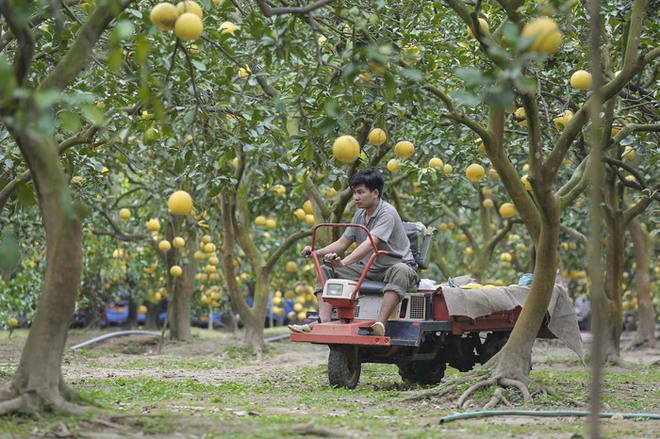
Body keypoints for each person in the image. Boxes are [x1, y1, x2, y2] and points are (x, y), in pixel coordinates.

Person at [289, 169, 418, 336]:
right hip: (369, 269)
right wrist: (314, 251)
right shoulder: (359, 215)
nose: (356, 197)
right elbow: (342, 243)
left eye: (360, 192)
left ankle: (379, 324)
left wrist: (344, 262)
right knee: (327, 269)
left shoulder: (387, 213)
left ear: (375, 193)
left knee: (401, 270)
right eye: (354, 193)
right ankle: (324, 321)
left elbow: (369, 244)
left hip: (394, 267)